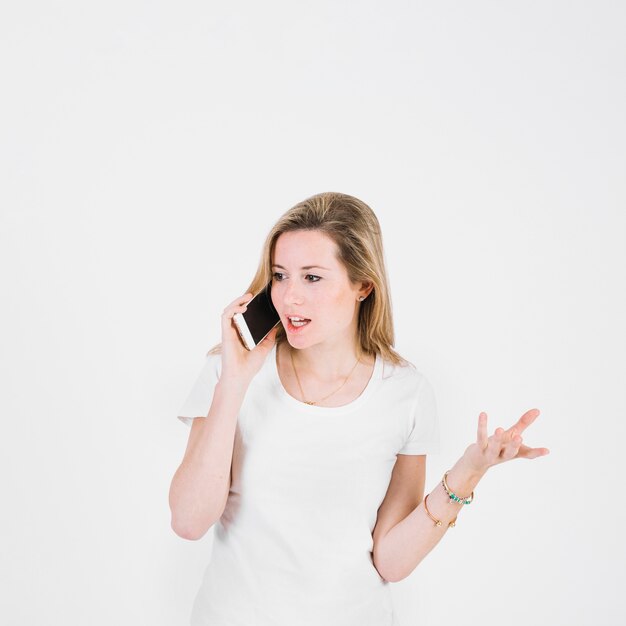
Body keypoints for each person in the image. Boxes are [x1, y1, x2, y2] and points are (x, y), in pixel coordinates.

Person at [168, 192, 549, 626]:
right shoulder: (228, 370)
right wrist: (235, 383)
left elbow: (391, 561)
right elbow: (189, 520)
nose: (289, 297)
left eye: (312, 278)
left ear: (362, 285)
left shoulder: (405, 392)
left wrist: (468, 473)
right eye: (279, 275)